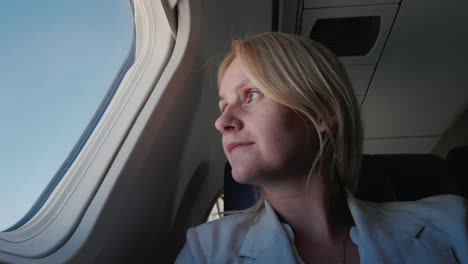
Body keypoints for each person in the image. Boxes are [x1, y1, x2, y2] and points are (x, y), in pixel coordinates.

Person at [176, 32, 468, 263]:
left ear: (321, 112)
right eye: (223, 105)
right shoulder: (205, 250)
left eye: (252, 94)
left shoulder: (451, 222)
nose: (222, 121)